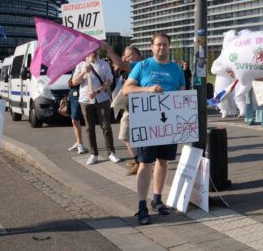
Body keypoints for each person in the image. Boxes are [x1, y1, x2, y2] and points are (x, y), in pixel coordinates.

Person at [123, 32, 185, 225]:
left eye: (165, 45)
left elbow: (182, 94)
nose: (161, 48)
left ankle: (157, 199)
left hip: (168, 123)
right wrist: (148, 89)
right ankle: (141, 205)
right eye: (158, 45)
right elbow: (127, 89)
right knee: (145, 163)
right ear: (152, 47)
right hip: (147, 122)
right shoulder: (142, 66)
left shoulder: (177, 69)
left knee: (164, 161)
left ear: (169, 47)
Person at [72, 50, 120, 165]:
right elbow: (74, 82)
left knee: (106, 126)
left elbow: (109, 81)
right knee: (90, 128)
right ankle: (93, 154)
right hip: (85, 100)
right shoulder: (80, 65)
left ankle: (111, 152)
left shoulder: (103, 64)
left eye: (95, 50)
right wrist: (83, 72)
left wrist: (97, 91)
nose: (93, 52)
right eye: (91, 50)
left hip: (102, 98)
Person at [103, 43, 143, 175]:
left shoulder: (138, 66)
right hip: (131, 106)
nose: (126, 59)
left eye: (128, 56)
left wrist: (109, 49)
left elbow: (120, 64)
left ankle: (139, 162)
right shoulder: (136, 67)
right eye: (125, 56)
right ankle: (138, 160)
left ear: (136, 55)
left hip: (134, 108)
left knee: (124, 136)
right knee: (136, 137)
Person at [66, 75, 87, 155]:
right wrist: (70, 82)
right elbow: (71, 83)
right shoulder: (75, 67)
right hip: (73, 95)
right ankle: (79, 142)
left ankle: (80, 144)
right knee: (74, 120)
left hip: (82, 94)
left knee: (76, 119)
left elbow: (77, 81)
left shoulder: (84, 66)